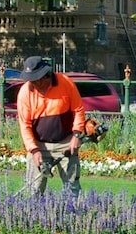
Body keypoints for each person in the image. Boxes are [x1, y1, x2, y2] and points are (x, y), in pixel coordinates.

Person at [15, 56, 86, 196]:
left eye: (35, 80)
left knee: (72, 189)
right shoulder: (25, 93)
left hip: (66, 142)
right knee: (33, 191)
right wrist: (34, 150)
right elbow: (25, 125)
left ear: (44, 76)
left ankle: (74, 216)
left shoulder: (66, 83)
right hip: (39, 145)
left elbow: (78, 110)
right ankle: (33, 217)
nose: (33, 83)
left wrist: (77, 135)